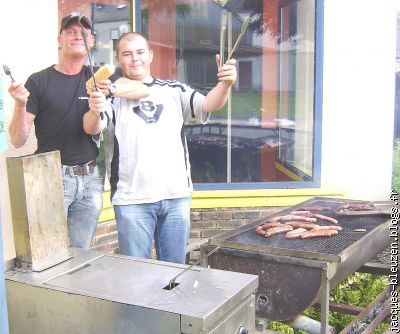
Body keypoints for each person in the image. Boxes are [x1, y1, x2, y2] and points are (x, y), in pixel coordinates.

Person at [84, 32, 237, 263]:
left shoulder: (174, 89)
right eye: (127, 54)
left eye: (140, 52)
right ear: (118, 59)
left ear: (151, 55)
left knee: (173, 275)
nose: (135, 58)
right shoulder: (110, 96)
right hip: (131, 200)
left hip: (176, 196)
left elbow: (208, 104)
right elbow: (92, 127)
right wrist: (95, 109)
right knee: (136, 278)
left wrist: (225, 84)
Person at [7, 13, 148, 249]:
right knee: (48, 252)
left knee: (79, 253)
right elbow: (17, 139)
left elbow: (142, 90)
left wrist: (111, 88)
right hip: (51, 178)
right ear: (59, 39)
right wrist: (21, 105)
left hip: (90, 178)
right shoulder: (39, 81)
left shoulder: (98, 76)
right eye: (70, 31)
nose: (77, 36)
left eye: (83, 33)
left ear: (91, 41)